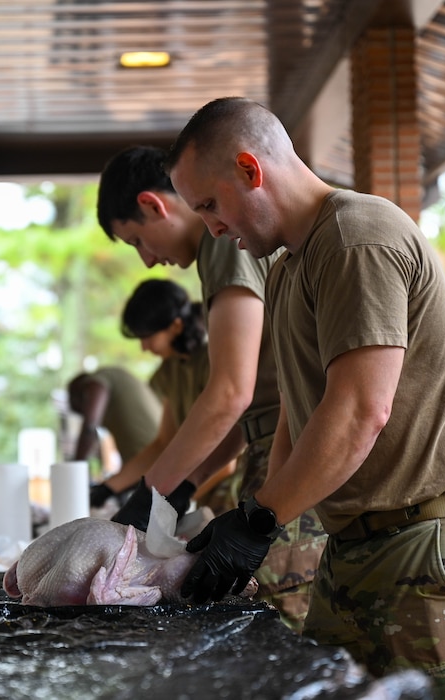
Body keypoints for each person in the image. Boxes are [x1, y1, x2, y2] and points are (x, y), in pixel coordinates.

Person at [166, 96, 445, 696]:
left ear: (250, 170)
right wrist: (256, 520)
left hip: (432, 545)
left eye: (209, 205)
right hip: (355, 543)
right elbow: (298, 412)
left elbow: (362, 411)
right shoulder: (288, 268)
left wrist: (259, 521)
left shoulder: (356, 237)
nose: (211, 227)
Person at [96, 145, 326, 630]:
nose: (148, 260)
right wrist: (179, 487)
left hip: (288, 450)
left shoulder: (222, 245)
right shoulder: (220, 251)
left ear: (153, 205)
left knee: (278, 622)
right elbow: (243, 413)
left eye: (137, 240)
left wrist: (151, 494)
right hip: (270, 445)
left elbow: (229, 394)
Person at [95, 278, 238, 515]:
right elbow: (164, 444)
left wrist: (172, 498)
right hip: (200, 497)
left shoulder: (214, 361)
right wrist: (109, 487)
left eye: (148, 337)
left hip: (232, 498)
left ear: (175, 326)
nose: (144, 347)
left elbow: (227, 461)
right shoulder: (169, 371)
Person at [67, 366, 162, 488]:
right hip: (144, 465)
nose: (84, 413)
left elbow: (89, 428)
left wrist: (74, 470)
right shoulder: (115, 386)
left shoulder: (98, 380)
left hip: (152, 461)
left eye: (82, 409)